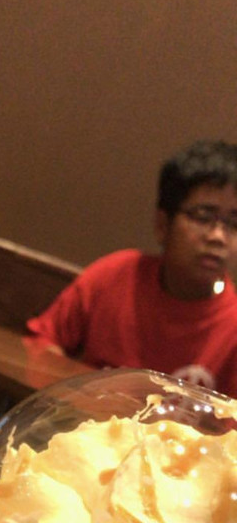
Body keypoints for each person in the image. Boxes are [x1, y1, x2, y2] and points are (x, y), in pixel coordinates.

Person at [26, 139, 237, 396]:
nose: (218, 236)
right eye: (203, 216)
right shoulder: (116, 274)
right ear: (162, 224)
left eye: (234, 223)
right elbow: (42, 342)